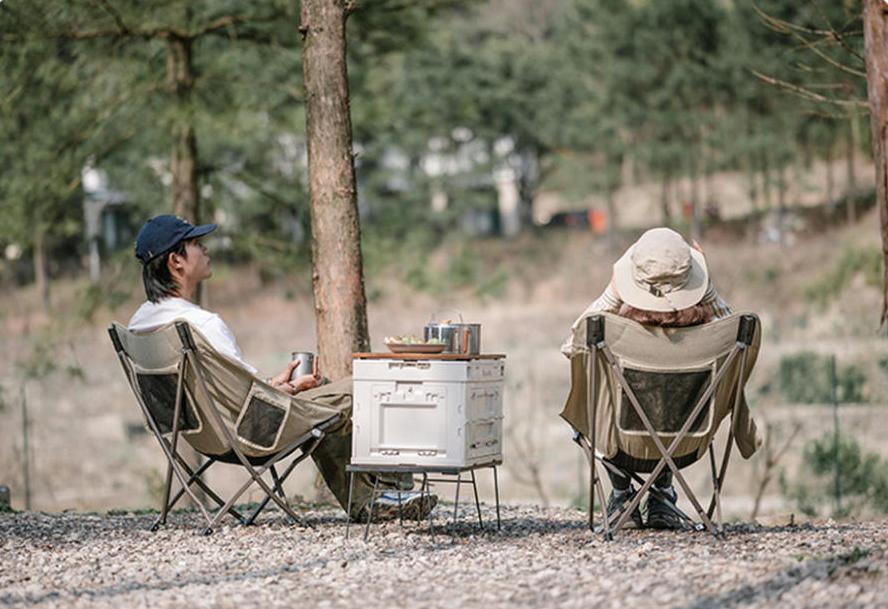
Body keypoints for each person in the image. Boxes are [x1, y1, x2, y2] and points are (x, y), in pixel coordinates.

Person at [128, 214, 436, 521]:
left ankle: (367, 500)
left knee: (322, 390)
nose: (206, 250)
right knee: (371, 385)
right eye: (196, 244)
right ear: (176, 261)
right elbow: (247, 402)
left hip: (205, 436)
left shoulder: (140, 325)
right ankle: (391, 492)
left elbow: (226, 393)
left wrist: (280, 384)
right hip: (253, 435)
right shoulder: (202, 325)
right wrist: (288, 388)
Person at [561, 227, 733, 530]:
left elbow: (571, 344)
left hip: (623, 448)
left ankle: (622, 496)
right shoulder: (715, 339)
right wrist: (709, 288)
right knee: (669, 409)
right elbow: (732, 328)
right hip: (687, 445)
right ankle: (663, 496)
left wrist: (612, 293)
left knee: (597, 403)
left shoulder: (612, 334)